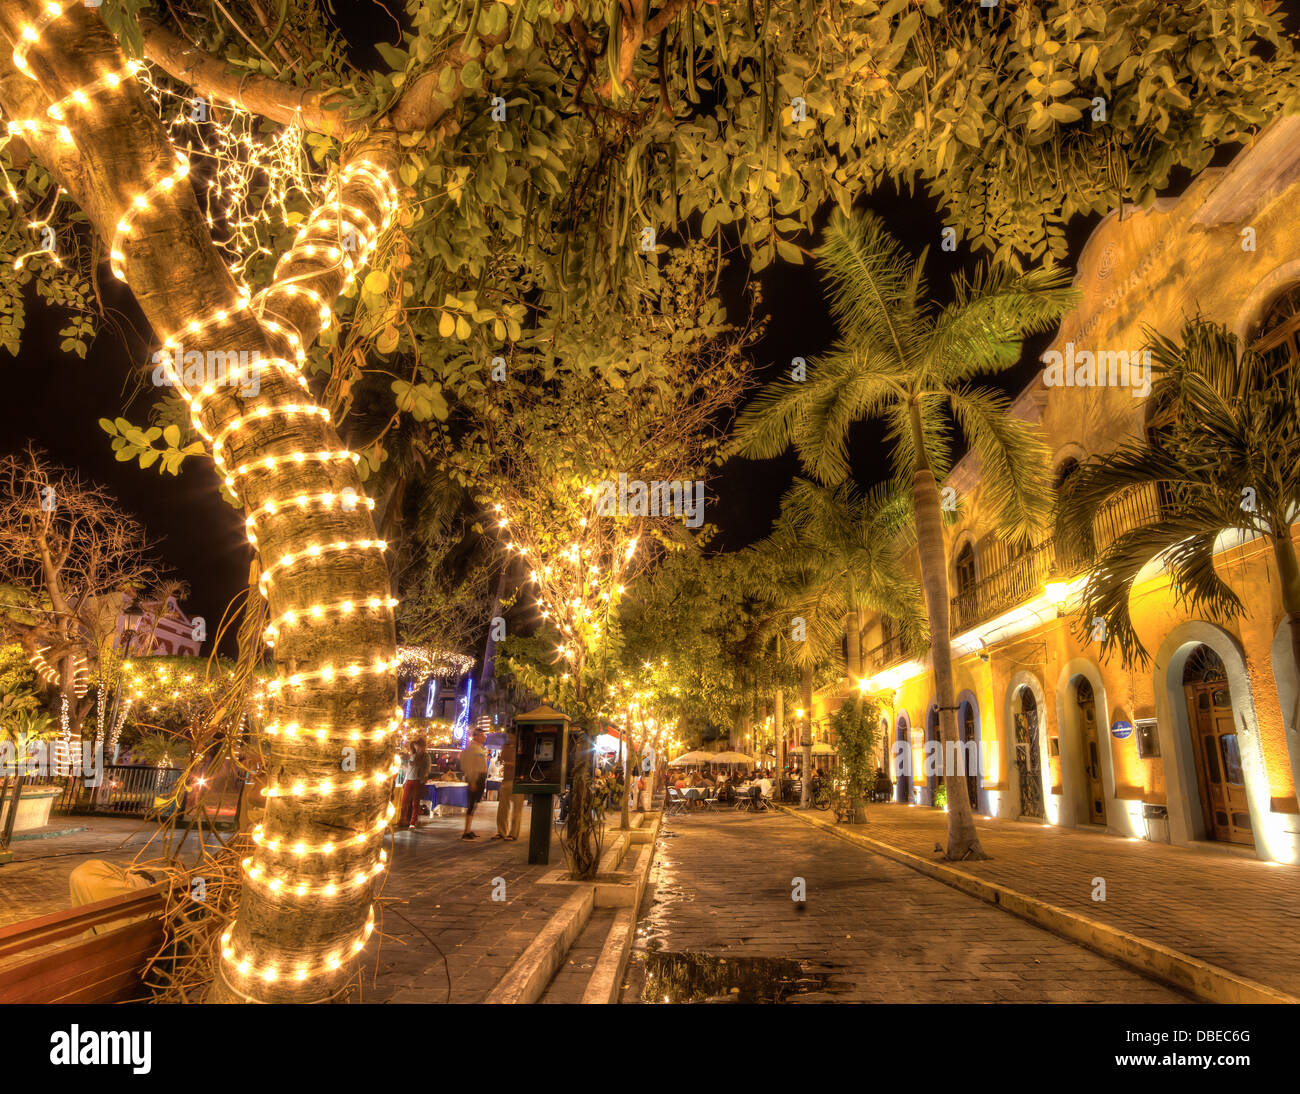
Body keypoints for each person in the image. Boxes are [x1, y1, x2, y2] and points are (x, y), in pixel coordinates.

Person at [494, 730, 524, 841]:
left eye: (512, 737)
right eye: (509, 737)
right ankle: (501, 832)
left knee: (517, 810)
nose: (510, 739)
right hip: (506, 779)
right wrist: (503, 761)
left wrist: (510, 763)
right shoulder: (505, 747)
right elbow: (501, 760)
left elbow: (522, 763)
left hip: (517, 781)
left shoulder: (522, 748)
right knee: (502, 808)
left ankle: (513, 833)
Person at [460, 727, 489, 840]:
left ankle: (468, 829)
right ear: (476, 736)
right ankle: (466, 831)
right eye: (482, 735)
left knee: (474, 804)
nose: (484, 737)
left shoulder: (479, 748)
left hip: (480, 778)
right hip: (475, 778)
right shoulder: (471, 749)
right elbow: (468, 766)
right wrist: (471, 781)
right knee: (471, 804)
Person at [399, 736, 430, 829]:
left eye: (418, 746)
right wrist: (405, 780)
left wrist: (422, 780)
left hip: (418, 781)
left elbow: (426, 769)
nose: (417, 748)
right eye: (415, 746)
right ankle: (403, 820)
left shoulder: (425, 756)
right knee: (404, 801)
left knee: (415, 803)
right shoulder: (412, 755)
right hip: (409, 780)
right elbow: (409, 770)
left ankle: (412, 822)